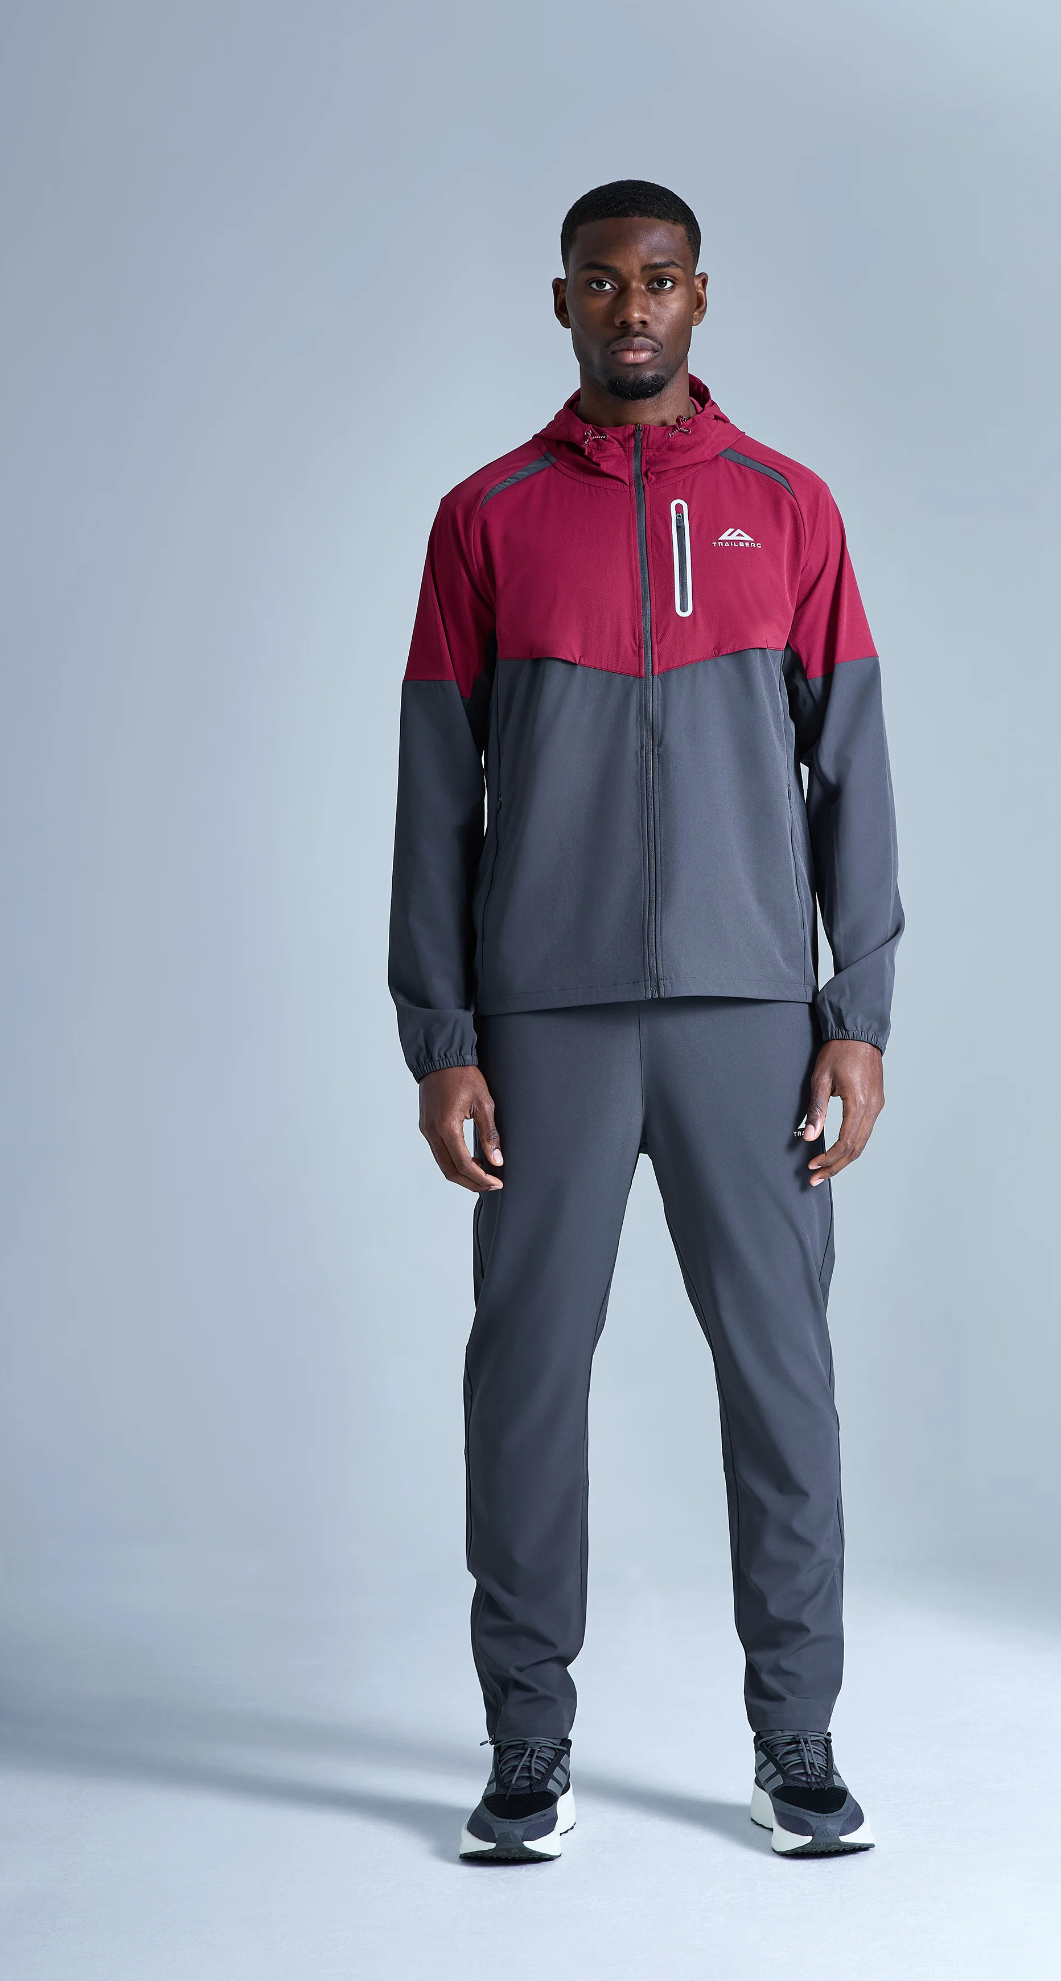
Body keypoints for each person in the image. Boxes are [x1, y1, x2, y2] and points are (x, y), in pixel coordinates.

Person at [389, 179, 902, 1862]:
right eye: (602, 281)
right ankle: (525, 1742)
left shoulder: (786, 507)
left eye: (660, 280)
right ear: (562, 301)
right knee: (526, 1381)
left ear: (698, 297)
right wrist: (442, 1034)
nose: (632, 307)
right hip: (543, 1016)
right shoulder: (484, 518)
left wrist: (856, 1009)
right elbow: (433, 792)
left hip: (749, 1013)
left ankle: (795, 1740)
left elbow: (851, 772)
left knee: (782, 1382)